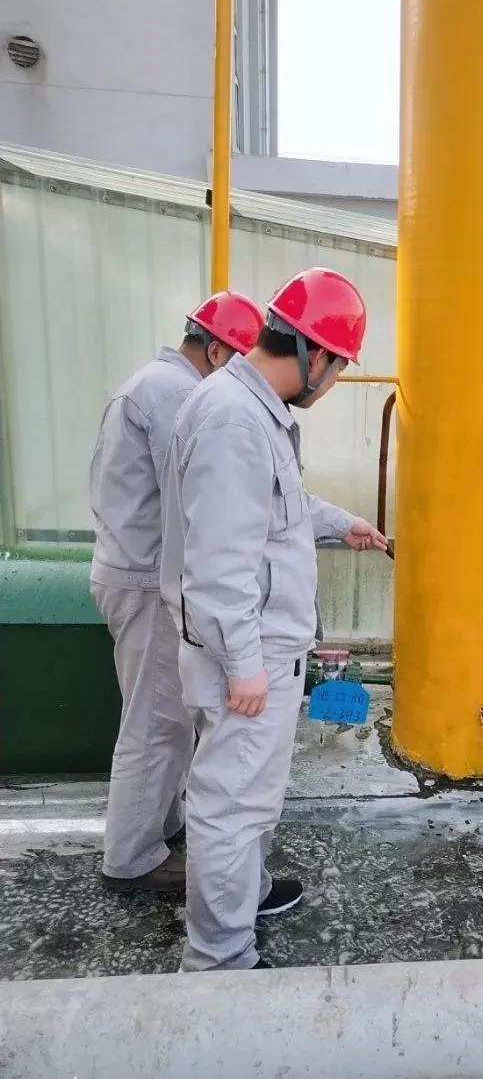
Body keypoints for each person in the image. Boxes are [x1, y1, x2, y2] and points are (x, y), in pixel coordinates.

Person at [160, 267, 388, 972]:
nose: (335, 380)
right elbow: (219, 562)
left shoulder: (251, 411)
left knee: (249, 797)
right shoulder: (233, 419)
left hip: (260, 654)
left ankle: (246, 898)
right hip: (246, 659)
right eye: (339, 366)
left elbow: (276, 510)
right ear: (315, 354)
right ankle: (219, 958)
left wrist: (343, 523)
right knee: (229, 806)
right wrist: (244, 666)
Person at [90, 292, 264, 894]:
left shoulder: (156, 384)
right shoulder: (176, 394)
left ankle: (161, 828)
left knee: (163, 719)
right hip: (146, 580)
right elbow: (202, 494)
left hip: (134, 571)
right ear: (216, 351)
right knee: (154, 724)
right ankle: (132, 858)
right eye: (242, 363)